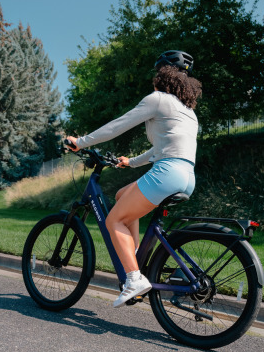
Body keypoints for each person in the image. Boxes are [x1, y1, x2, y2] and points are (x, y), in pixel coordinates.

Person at [66, 50, 202, 308]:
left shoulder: (158, 99)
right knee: (122, 196)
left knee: (113, 220)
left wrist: (80, 142)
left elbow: (117, 126)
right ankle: (135, 261)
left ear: (162, 75)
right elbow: (162, 147)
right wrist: (132, 162)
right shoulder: (187, 111)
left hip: (166, 173)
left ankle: (133, 278)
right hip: (186, 176)